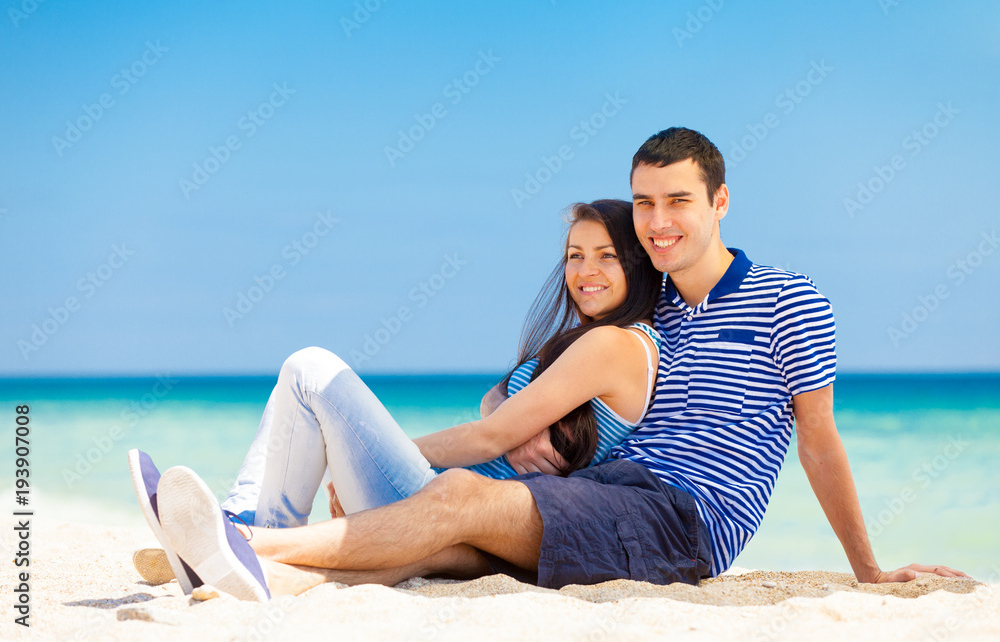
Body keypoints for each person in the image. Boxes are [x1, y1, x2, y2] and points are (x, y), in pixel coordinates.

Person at [145, 128, 968, 602]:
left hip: (686, 519)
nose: (658, 219)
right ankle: (245, 566)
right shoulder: (659, 313)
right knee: (451, 534)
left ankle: (246, 539)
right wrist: (545, 431)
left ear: (720, 202)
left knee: (461, 495)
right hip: (615, 491)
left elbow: (818, 440)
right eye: (644, 201)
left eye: (678, 200)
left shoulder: (789, 299)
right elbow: (603, 413)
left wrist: (867, 567)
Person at [129, 199, 665, 599]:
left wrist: (383, 451)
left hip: (450, 511)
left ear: (637, 265)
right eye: (575, 256)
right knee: (304, 375)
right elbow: (493, 402)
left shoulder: (616, 343)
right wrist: (512, 419)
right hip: (449, 510)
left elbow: (488, 436)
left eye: (606, 256)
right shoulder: (586, 341)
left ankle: (237, 528)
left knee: (310, 369)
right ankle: (240, 534)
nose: (584, 271)